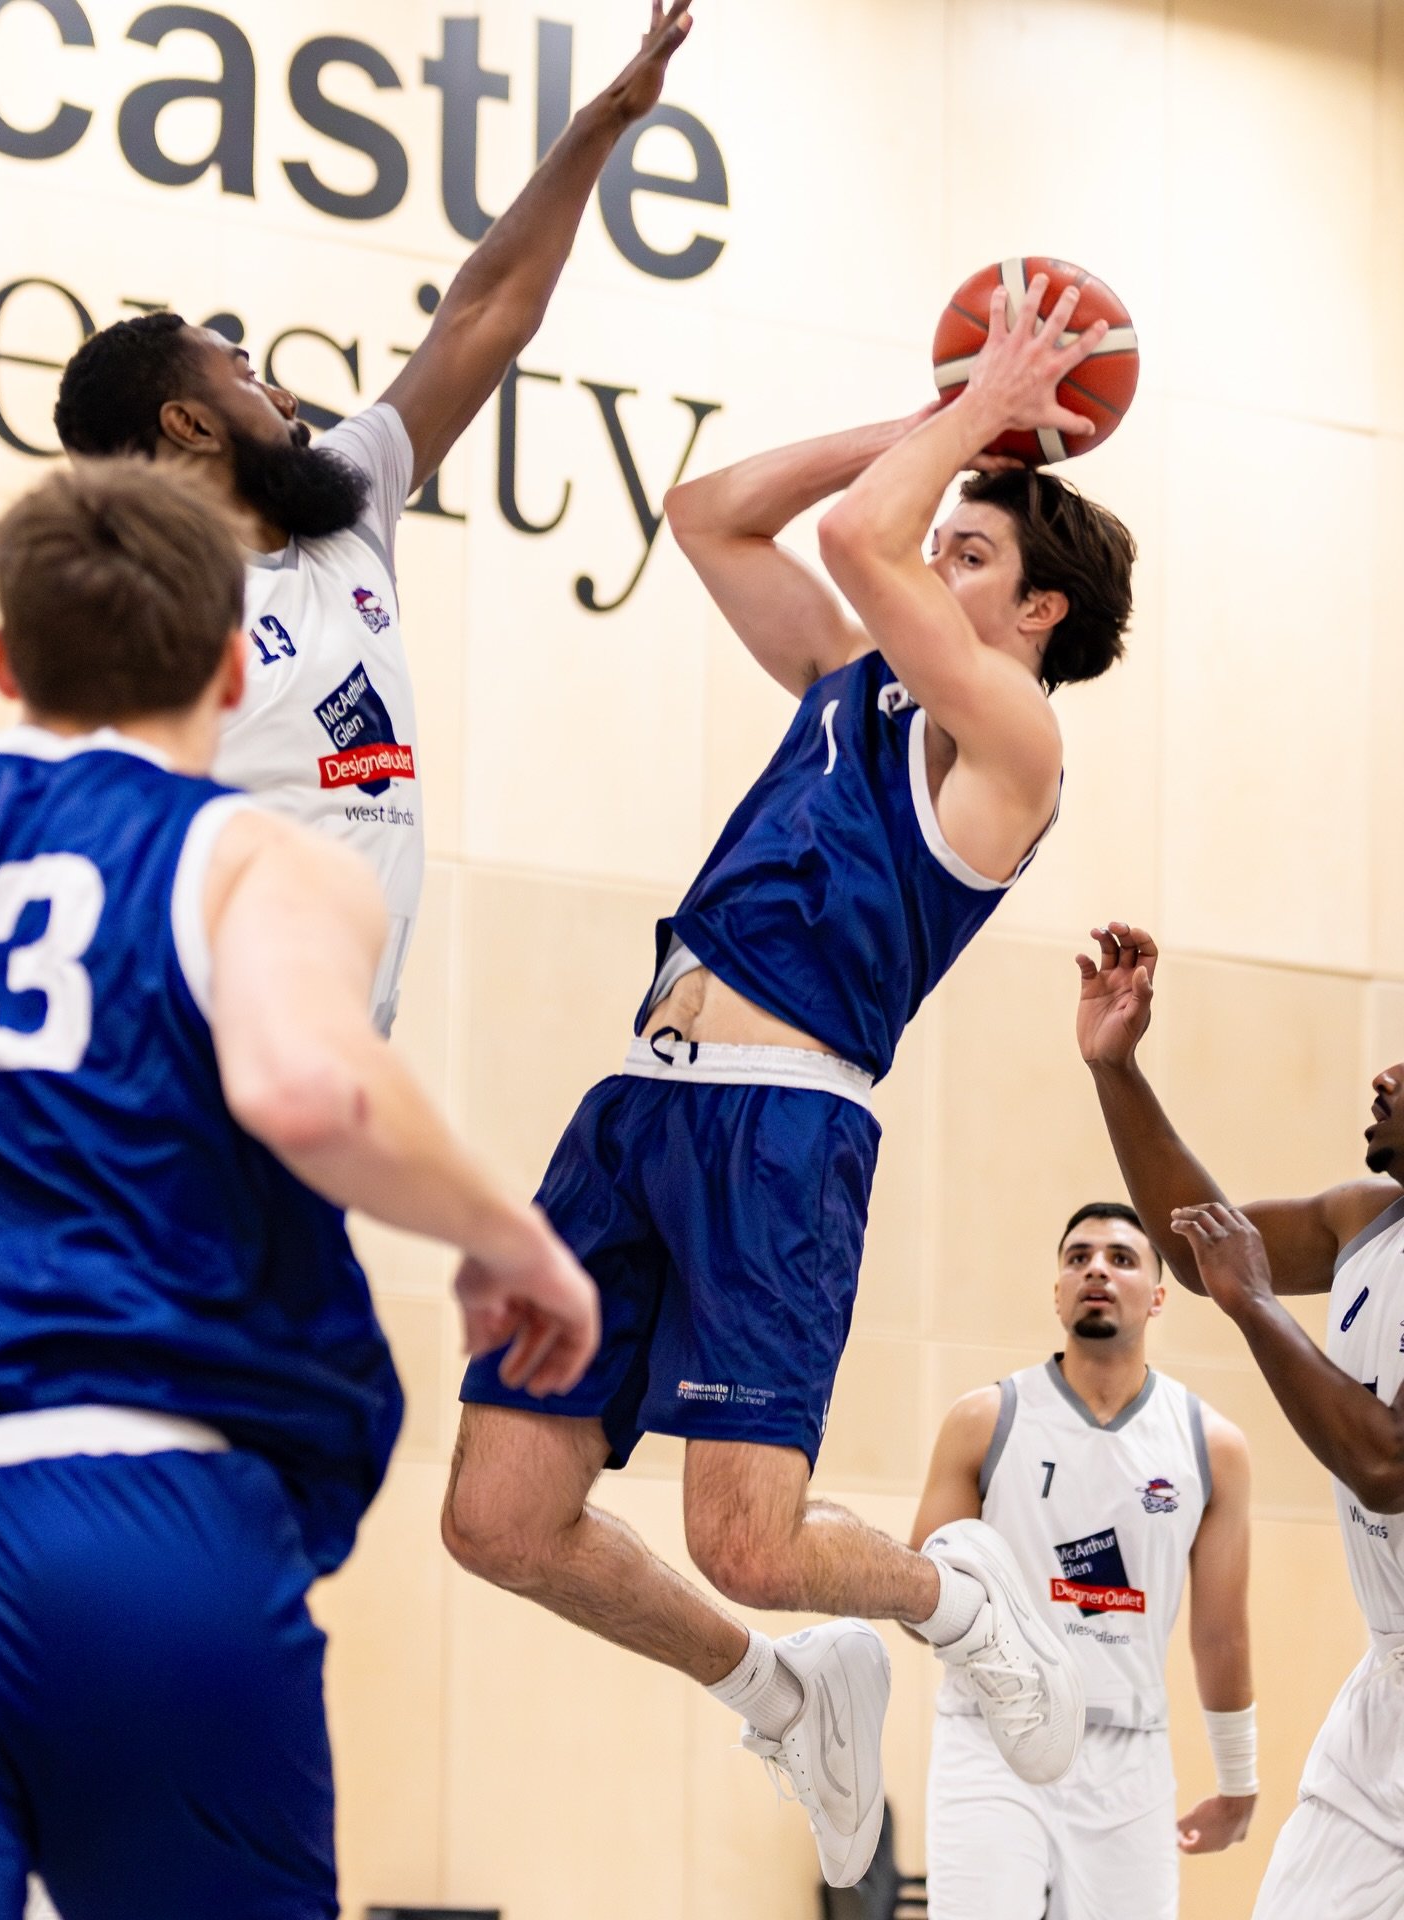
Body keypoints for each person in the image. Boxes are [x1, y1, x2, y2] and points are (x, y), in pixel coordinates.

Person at [441, 276, 1138, 1888]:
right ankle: (781, 1689)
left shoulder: (1012, 742)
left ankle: (964, 1605)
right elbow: (711, 516)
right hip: (633, 1102)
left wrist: (978, 422)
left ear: (1035, 614)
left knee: (750, 1539)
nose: (933, 545)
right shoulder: (855, 683)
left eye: (975, 552)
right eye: (941, 535)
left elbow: (854, 544)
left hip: (784, 1122)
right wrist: (938, 419)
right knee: (497, 1523)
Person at [0, 458, 596, 1920]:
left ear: (2, 662)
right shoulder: (249, 854)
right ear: (236, 665)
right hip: (145, 1514)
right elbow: (308, 1087)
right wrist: (509, 1240)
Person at [50, 1, 695, 1033]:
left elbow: (485, 310)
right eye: (248, 378)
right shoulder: (149, 621)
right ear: (190, 425)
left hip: (338, 1035)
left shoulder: (342, 507)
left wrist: (606, 121)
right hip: (197, 1033)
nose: (291, 400)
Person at [1076, 921, 1404, 1920]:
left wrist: (1256, 1304)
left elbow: (1385, 1462)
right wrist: (1115, 1071)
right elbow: (1198, 1247)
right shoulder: (1366, 1217)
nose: (1385, 1075)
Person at [911, 1200, 1256, 1920]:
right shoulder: (985, 1419)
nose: (1096, 1267)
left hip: (1128, 1755)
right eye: (1078, 1257)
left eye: (1122, 1258)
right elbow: (917, 1603)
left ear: (1159, 1297)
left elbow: (1221, 1635)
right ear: (1058, 1290)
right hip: (994, 1735)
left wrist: (1238, 1778)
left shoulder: (1210, 1444)